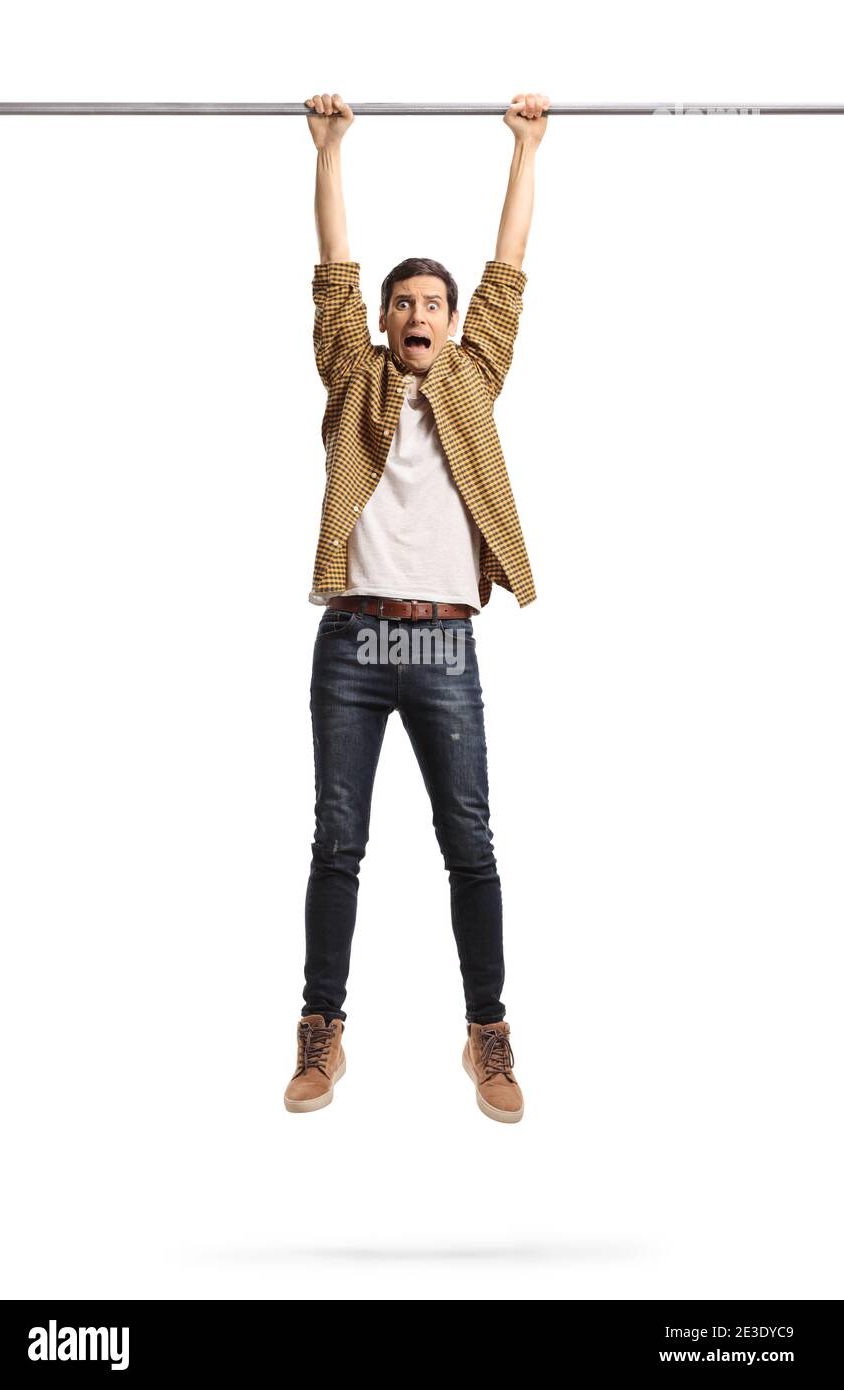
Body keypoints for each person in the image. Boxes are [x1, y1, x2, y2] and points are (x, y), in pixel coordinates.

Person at [284, 89, 548, 1123]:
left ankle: (487, 1033)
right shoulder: (352, 376)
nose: (415, 316)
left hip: (441, 645)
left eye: (429, 304)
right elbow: (333, 277)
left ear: (449, 324)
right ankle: (320, 1028)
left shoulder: (475, 375)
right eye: (402, 305)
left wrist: (524, 149)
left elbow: (508, 274)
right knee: (336, 841)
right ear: (386, 325)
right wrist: (328, 150)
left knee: (469, 842)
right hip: (352, 637)